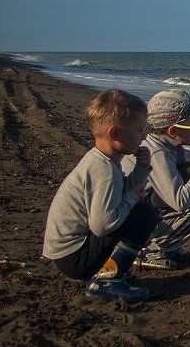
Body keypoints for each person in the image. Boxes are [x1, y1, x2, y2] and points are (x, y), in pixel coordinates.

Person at [42, 89, 158, 302]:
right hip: (73, 257)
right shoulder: (104, 171)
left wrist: (141, 169)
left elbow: (122, 194)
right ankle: (106, 281)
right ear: (115, 134)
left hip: (68, 252)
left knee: (138, 210)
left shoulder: (102, 160)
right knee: (143, 214)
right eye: (140, 130)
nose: (144, 136)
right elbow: (103, 225)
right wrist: (132, 198)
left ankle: (111, 272)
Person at [122, 89, 190, 269]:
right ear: (173, 131)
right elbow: (180, 202)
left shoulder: (169, 144)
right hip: (129, 218)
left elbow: (185, 174)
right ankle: (151, 250)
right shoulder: (158, 153)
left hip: (141, 206)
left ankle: (153, 243)